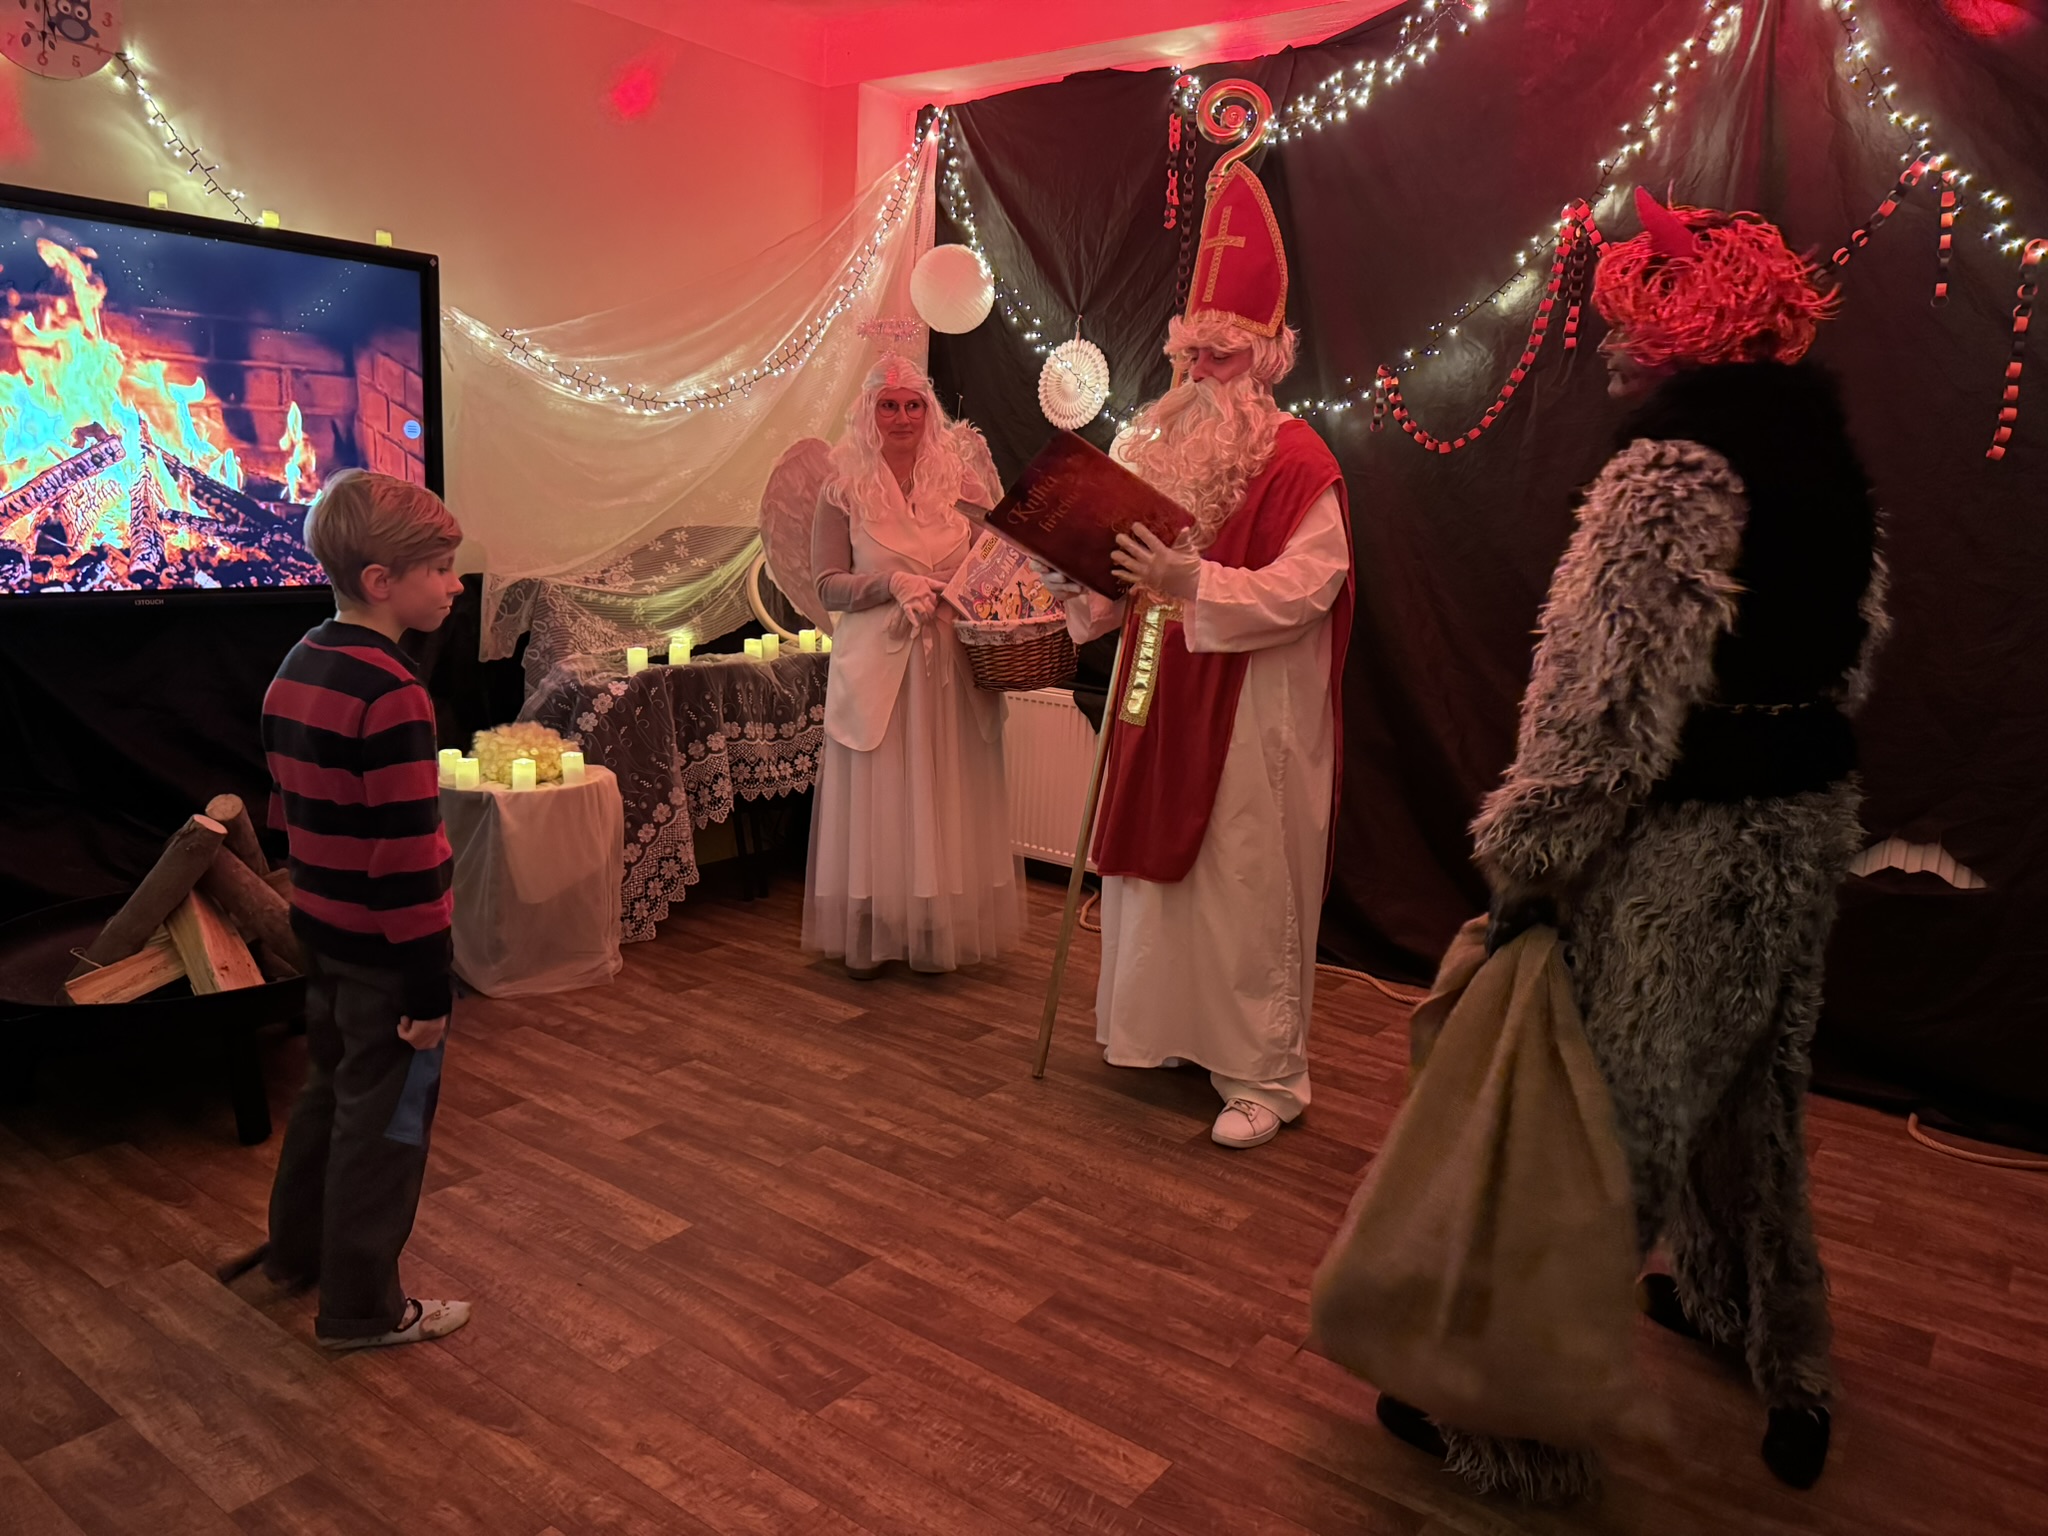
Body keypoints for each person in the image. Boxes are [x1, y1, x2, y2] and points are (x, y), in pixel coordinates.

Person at [1373, 189, 1887, 1500]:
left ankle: (1515, 1426)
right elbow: (1850, 654)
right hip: (1798, 829)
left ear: (1686, 326)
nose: (1607, 346)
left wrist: (1529, 865)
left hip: (1688, 851)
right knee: (1752, 1102)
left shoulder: (1671, 471)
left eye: (1630, 322)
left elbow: (1600, 705)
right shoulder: (1824, 456)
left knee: (1603, 1133)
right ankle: (1761, 1332)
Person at [1042, 158, 1354, 1150]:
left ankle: (1263, 1075)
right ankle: (1168, 1034)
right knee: (1159, 876)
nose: (1203, 375)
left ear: (1264, 360)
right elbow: (1122, 582)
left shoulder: (1299, 459)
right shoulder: (1153, 446)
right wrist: (1076, 583)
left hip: (1251, 709)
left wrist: (1197, 585)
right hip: (1155, 694)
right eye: (1194, 356)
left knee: (1240, 882)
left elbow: (1310, 587)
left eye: (1223, 357)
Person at [220, 469, 471, 1351]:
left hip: (323, 936)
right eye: (440, 569)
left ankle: (296, 1255)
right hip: (389, 957)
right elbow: (406, 853)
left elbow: (287, 817)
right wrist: (429, 985)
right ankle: (363, 1309)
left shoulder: (298, 664)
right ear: (380, 580)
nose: (455, 586)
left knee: (330, 1095)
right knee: (386, 1127)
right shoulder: (394, 693)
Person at [802, 353, 1023, 977]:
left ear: (930, 410)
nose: (902, 417)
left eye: (913, 405)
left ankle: (934, 924)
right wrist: (890, 584)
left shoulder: (960, 480)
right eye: (888, 406)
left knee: (945, 789)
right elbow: (826, 584)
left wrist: (962, 587)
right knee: (884, 795)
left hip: (950, 665)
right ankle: (875, 926)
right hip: (878, 667)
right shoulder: (842, 488)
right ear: (868, 412)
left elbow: (998, 557)